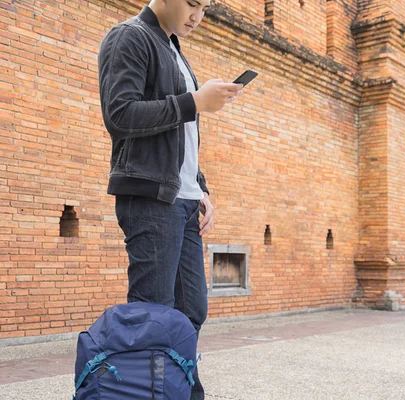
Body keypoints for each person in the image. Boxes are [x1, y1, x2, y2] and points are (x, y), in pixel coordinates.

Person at [97, 1, 242, 398]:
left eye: (206, 7)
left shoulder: (175, 50)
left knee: (191, 310)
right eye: (193, 3)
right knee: (152, 313)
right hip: (151, 198)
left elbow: (182, 140)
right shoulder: (130, 36)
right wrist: (194, 102)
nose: (198, 15)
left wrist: (202, 188)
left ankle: (176, 390)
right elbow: (119, 114)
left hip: (184, 200)